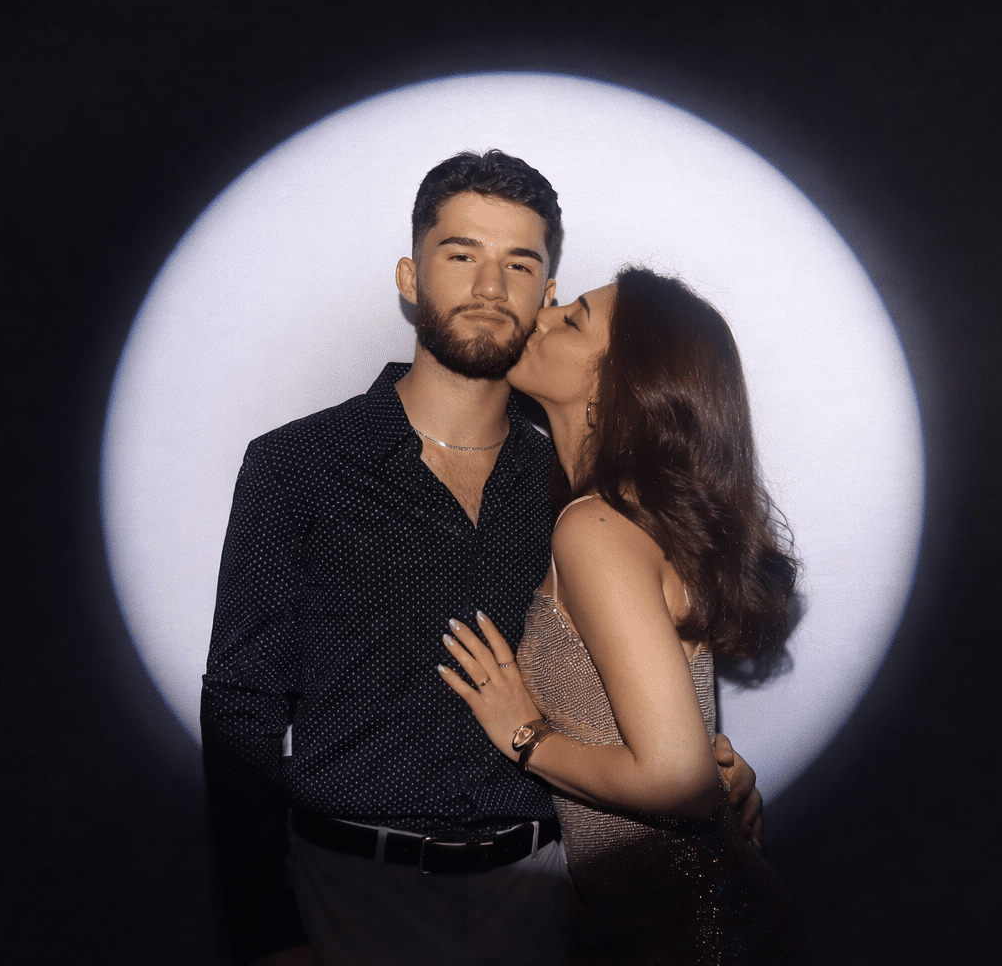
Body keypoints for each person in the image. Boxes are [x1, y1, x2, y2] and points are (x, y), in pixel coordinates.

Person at [202, 151, 763, 966]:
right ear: (411, 275)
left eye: (520, 264)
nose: (491, 288)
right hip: (350, 893)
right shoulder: (296, 466)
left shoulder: (573, 492)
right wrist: (267, 935)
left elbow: (633, 679)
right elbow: (241, 708)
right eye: (462, 254)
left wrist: (712, 764)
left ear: (546, 294)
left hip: (541, 897)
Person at [440, 266, 808, 964]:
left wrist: (524, 737)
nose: (540, 318)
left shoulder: (597, 527)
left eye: (571, 318)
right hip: (674, 923)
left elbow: (679, 779)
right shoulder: (621, 516)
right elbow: (686, 758)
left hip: (688, 936)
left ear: (622, 382)